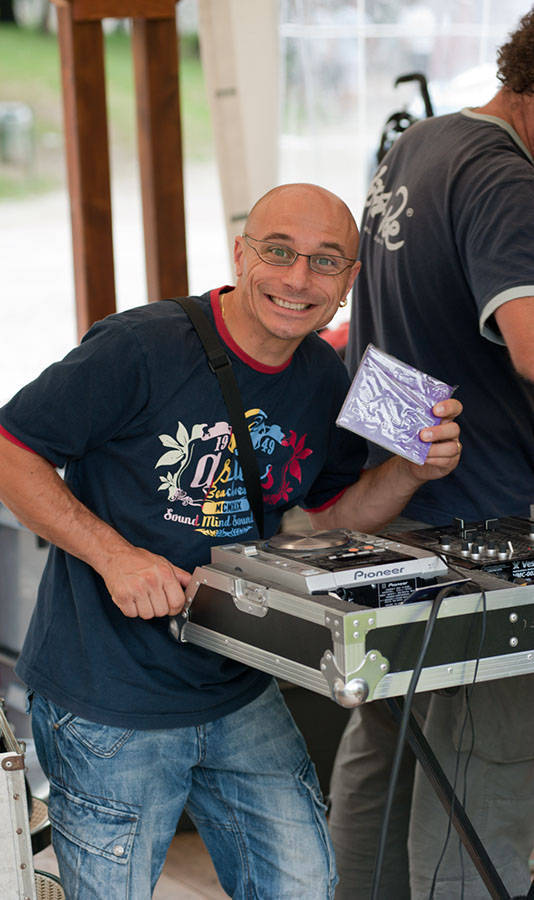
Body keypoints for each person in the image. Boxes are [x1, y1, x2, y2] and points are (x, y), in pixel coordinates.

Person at [0, 183, 462, 900]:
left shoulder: (323, 376)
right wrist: (116, 557)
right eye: (279, 252)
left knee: (301, 882)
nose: (299, 278)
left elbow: (332, 517)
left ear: (350, 281)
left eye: (325, 261)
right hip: (110, 695)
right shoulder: (140, 346)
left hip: (235, 684)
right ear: (240, 254)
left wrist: (411, 471)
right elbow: (0, 452)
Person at [330, 9, 534, 900]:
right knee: (489, 760)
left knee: (390, 738)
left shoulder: (420, 145)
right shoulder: (505, 179)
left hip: (396, 500)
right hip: (486, 518)